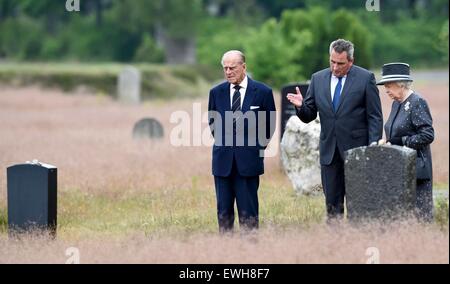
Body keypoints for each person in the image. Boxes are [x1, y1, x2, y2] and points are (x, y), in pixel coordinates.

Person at [287, 39, 383, 220]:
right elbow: (308, 115)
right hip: (329, 153)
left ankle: (358, 239)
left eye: (340, 63)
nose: (335, 67)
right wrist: (300, 106)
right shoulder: (318, 79)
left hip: (358, 152)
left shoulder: (365, 78)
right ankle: (336, 242)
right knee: (332, 205)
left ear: (351, 62)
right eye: (332, 62)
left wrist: (372, 147)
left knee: (358, 204)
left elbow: (375, 116)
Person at [208, 50, 276, 233]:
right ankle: (226, 253)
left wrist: (254, 149)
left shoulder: (262, 92)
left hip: (248, 162)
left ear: (243, 67)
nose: (228, 72)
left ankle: (251, 253)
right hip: (223, 163)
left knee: (249, 215)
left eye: (232, 68)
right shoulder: (216, 93)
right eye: (225, 68)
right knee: (224, 213)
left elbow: (269, 126)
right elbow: (213, 123)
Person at [377, 62, 435, 222]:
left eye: (388, 85)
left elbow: (427, 135)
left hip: (416, 170)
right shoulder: (397, 103)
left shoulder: (417, 102)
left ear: (400, 84)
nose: (386, 90)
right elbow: (394, 131)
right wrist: (386, 141)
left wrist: (401, 142)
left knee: (419, 218)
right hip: (398, 168)